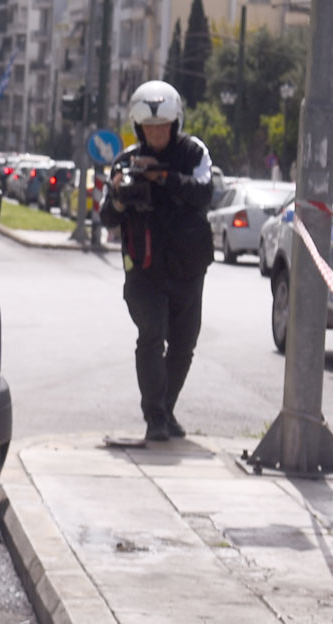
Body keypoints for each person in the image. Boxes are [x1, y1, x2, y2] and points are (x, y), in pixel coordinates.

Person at [97, 80, 215, 443]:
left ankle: (166, 407)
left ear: (175, 123)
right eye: (150, 127)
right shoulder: (125, 162)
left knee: (184, 344)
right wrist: (119, 195)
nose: (157, 133)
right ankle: (155, 417)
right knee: (151, 334)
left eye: (163, 126)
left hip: (187, 267)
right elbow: (107, 217)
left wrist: (162, 176)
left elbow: (204, 192)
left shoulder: (193, 154)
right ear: (139, 127)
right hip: (144, 268)